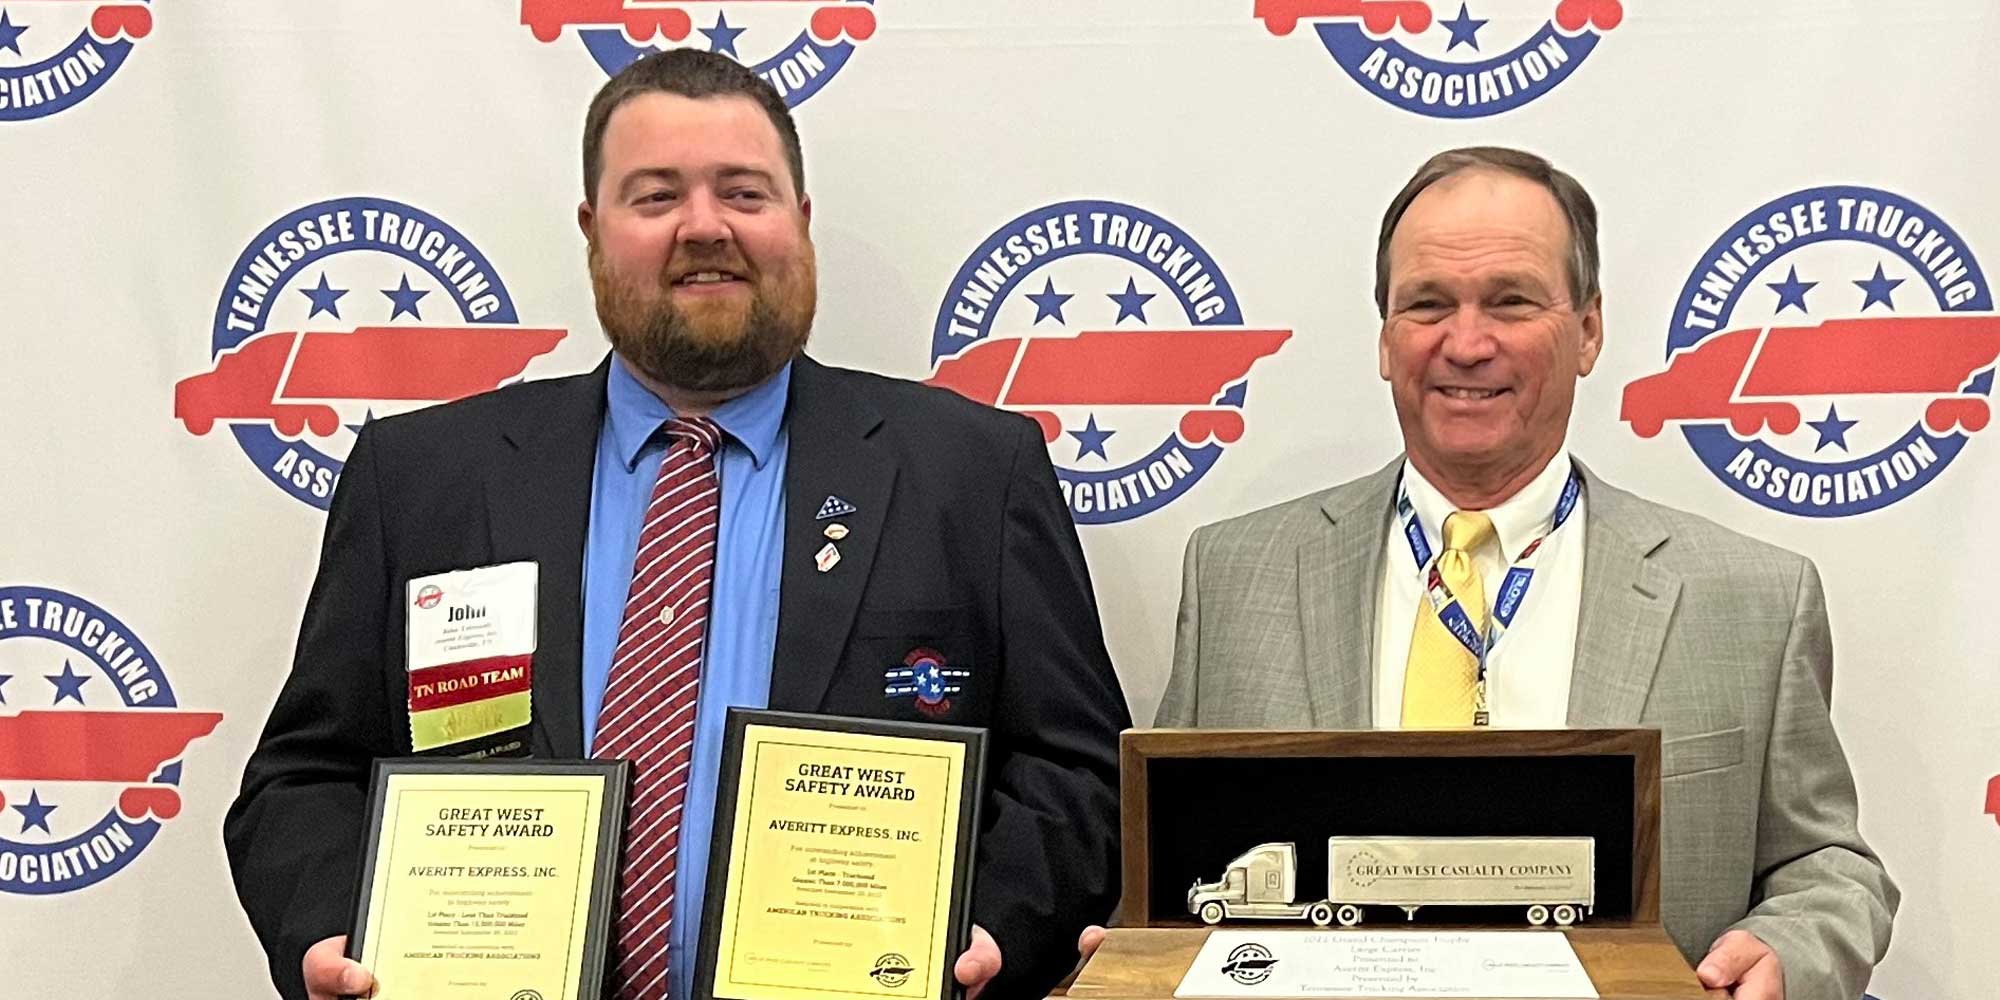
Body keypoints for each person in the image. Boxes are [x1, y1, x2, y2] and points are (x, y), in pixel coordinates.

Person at [224, 48, 1128, 1000]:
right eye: (656, 198)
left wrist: (988, 929)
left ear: (802, 222)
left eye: (745, 193)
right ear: (591, 230)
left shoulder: (972, 473)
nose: (705, 228)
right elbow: (305, 778)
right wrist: (331, 932)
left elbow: (1082, 770)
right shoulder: (419, 480)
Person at [1131, 147, 1895, 1000]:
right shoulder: (1235, 575)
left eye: (1511, 301)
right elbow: (1172, 859)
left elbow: (1827, 866)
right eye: (1427, 305)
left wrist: (1786, 947)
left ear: (1590, 331)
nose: (1466, 343)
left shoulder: (1753, 597)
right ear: (1386, 338)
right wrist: (1136, 942)